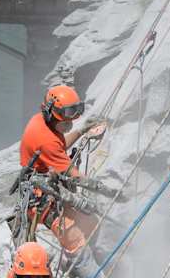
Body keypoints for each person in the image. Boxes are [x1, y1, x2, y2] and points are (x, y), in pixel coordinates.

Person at [18, 84, 109, 263]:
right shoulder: (45, 138)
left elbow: (58, 146)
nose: (70, 123)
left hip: (51, 190)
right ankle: (95, 277)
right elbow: (75, 175)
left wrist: (81, 131)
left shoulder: (44, 123)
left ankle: (103, 261)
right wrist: (106, 191)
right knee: (75, 240)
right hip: (42, 201)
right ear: (52, 114)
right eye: (66, 121)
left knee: (90, 224)